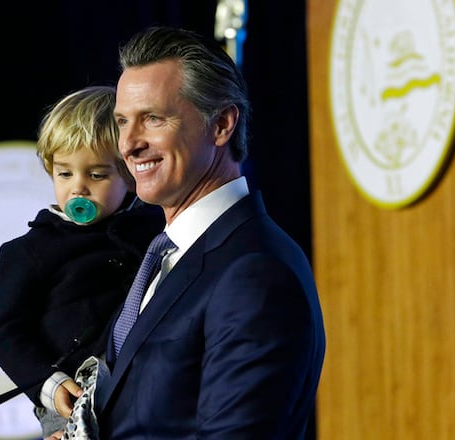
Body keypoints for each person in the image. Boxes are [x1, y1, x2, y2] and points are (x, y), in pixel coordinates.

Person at [90, 26, 326, 439]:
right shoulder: (165, 256)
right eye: (123, 121)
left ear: (221, 124)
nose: (128, 144)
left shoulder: (255, 272)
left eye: (153, 119)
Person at [0, 85, 165, 440]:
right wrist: (51, 385)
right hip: (69, 395)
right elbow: (6, 334)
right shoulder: (28, 251)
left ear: (129, 176)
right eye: (65, 174)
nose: (78, 189)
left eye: (96, 175)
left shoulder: (154, 229)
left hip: (143, 389)